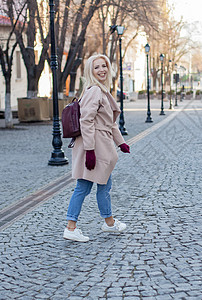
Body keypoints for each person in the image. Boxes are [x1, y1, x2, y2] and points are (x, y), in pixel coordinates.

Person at [63, 54, 130, 242]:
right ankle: (71, 227)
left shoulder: (102, 91)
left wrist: (121, 142)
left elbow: (110, 123)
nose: (101, 70)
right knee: (83, 186)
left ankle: (108, 222)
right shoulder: (94, 91)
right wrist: (90, 150)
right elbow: (86, 120)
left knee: (104, 184)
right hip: (93, 145)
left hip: (102, 144)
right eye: (96, 67)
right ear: (90, 72)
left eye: (104, 66)